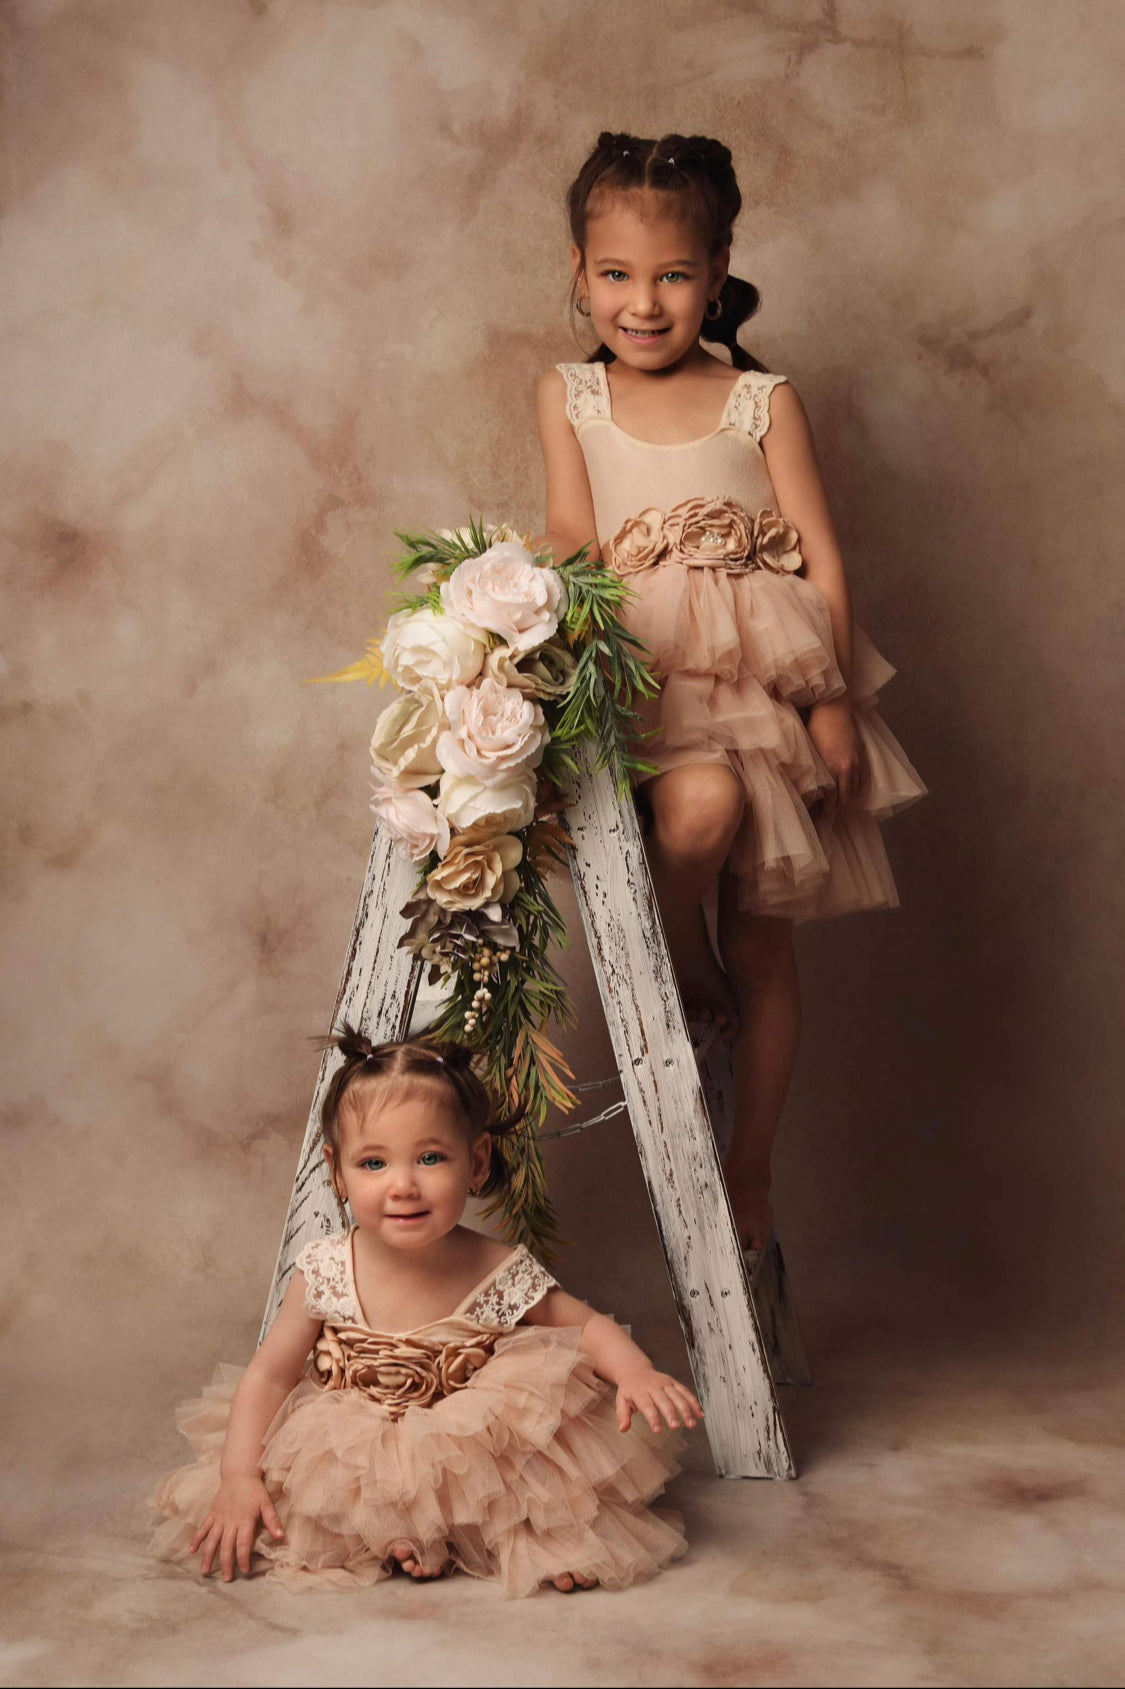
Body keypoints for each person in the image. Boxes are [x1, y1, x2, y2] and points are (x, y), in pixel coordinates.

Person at [533, 131, 927, 1263]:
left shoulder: (761, 401)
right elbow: (570, 534)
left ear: (715, 272)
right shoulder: (572, 396)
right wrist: (532, 624)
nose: (642, 304)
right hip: (646, 684)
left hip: (775, 689)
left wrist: (838, 702)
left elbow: (823, 558)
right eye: (615, 274)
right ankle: (674, 947)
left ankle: (750, 1171)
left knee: (767, 951)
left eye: (671, 275)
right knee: (695, 815)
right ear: (578, 271)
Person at [151, 1028, 698, 1597]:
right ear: (336, 1172)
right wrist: (237, 1475)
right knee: (305, 1496)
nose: (403, 1185)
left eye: (430, 1157)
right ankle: (397, 1532)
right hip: (351, 1444)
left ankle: (534, 1539)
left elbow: (584, 1325)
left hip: (466, 1452)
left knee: (531, 1473)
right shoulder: (326, 1267)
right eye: (373, 1163)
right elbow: (268, 1375)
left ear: (477, 1161)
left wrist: (634, 1370)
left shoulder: (496, 1267)